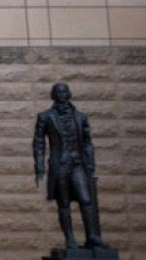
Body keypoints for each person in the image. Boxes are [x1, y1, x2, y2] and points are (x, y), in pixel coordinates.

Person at [32, 82, 105, 250]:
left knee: (86, 200)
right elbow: (38, 142)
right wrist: (39, 165)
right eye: (58, 92)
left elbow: (87, 142)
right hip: (60, 165)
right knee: (63, 203)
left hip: (77, 164)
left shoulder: (80, 117)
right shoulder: (45, 116)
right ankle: (70, 239)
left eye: (64, 91)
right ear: (53, 95)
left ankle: (92, 237)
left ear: (69, 94)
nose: (61, 94)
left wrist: (90, 163)